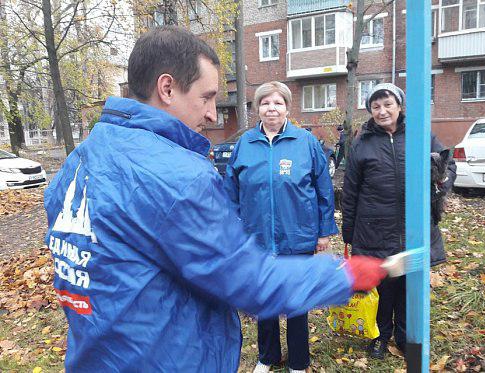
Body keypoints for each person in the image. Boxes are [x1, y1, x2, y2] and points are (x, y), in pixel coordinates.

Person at [43, 26, 388, 372]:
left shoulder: (80, 160)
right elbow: (246, 280)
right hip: (167, 358)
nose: (211, 114)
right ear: (167, 88)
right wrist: (342, 276)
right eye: (206, 97)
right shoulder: (178, 175)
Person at [224, 82, 336, 373]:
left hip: (296, 235)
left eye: (277, 103)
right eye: (265, 103)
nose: (271, 108)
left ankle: (298, 361)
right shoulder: (245, 145)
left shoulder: (305, 142)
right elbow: (231, 192)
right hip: (257, 238)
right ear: (257, 108)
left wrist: (324, 231)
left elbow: (323, 189)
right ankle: (267, 357)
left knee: (297, 302)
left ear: (287, 107)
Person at [341, 83, 456, 360]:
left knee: (408, 285)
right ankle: (380, 336)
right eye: (376, 106)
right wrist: (349, 232)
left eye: (387, 104)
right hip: (373, 228)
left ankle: (405, 337)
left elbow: (447, 165)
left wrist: (441, 180)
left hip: (412, 227)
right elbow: (351, 188)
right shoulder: (362, 142)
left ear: (399, 105)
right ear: (370, 111)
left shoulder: (420, 136)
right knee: (382, 287)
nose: (382, 111)